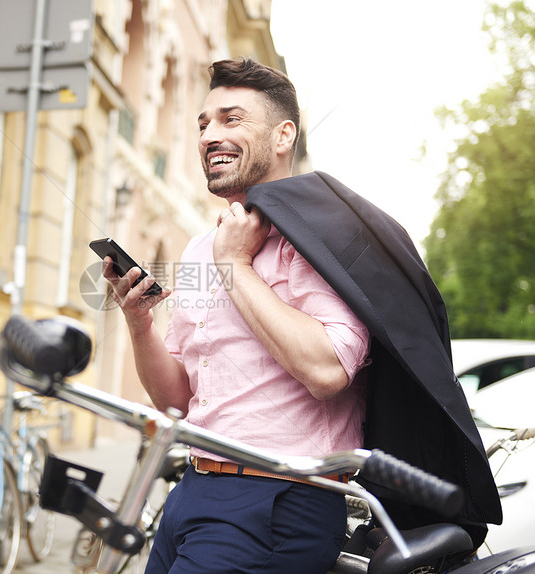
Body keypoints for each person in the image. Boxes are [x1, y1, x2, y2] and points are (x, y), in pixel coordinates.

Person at [102, 58, 371, 573]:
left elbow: (329, 370)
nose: (209, 135)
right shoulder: (201, 248)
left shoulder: (322, 235)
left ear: (282, 136)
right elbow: (178, 400)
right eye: (203, 124)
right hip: (194, 486)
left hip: (277, 499)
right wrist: (140, 325)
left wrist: (235, 265)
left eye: (231, 119)